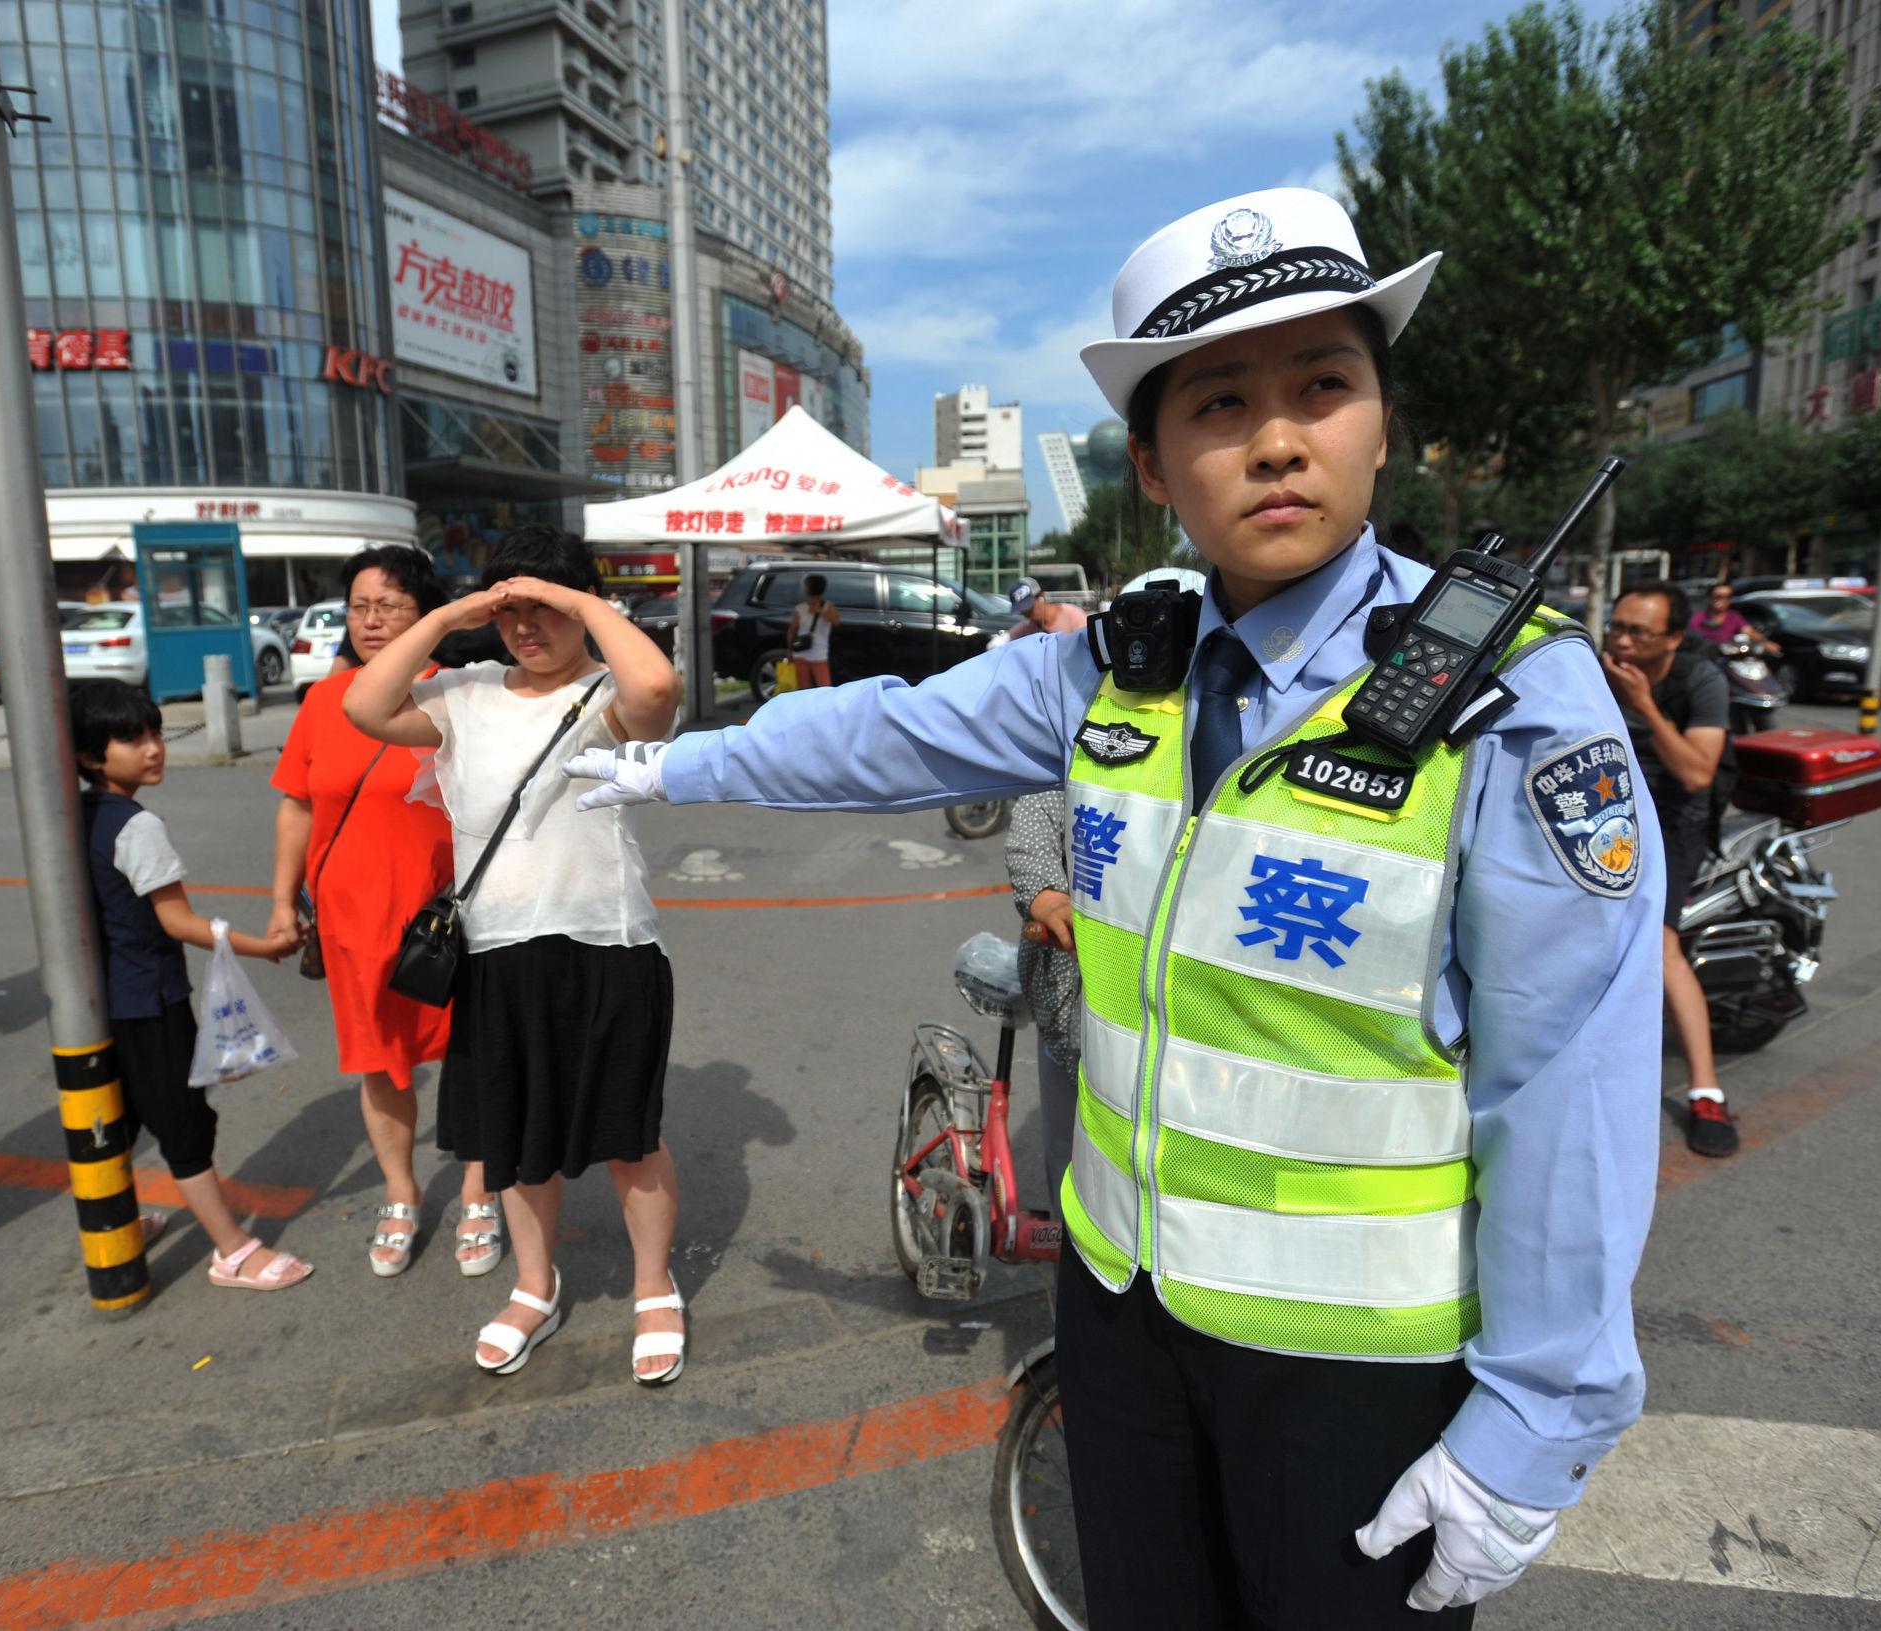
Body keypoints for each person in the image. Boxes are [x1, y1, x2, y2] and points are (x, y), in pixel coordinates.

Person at [570, 187, 1663, 1624]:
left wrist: (1539, 1414)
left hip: (1357, 1361)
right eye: (1219, 404)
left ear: (1384, 422)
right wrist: (669, 763)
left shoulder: (1514, 693)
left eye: (1324, 386)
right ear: (1152, 462)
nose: (1277, 437)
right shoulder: (1119, 661)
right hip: (1123, 1304)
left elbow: (1568, 1072)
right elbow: (891, 732)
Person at [341, 526, 688, 1385]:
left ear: (579, 605)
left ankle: (653, 1284)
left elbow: (658, 684)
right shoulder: (466, 692)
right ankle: (534, 1285)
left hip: (606, 939)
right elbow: (365, 705)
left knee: (630, 1134)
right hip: (497, 951)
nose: (526, 627)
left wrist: (577, 599)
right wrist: (455, 613)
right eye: (512, 611)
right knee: (517, 1138)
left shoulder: (609, 689)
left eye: (546, 609)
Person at [268, 545, 498, 1279]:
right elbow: (297, 807)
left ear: (425, 616)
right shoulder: (319, 701)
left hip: (447, 919)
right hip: (350, 919)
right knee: (379, 1063)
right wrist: (282, 900)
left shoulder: (459, 694)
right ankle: (401, 1194)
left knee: (472, 1055)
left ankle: (477, 1189)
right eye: (360, 606)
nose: (371, 620)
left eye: (389, 606)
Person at [69, 681, 314, 1292]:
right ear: (90, 756)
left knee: (116, 1119)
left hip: (99, 1002)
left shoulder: (75, 816)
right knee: (183, 1127)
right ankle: (232, 1250)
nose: (153, 749)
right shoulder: (136, 825)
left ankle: (115, 1220)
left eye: (155, 733)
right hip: (148, 999)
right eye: (132, 739)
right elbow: (176, 921)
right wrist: (266, 946)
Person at [1603, 582, 1737, 1158]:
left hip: (1673, 815)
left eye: (1640, 633)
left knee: (1659, 945)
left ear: (1674, 639)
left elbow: (1698, 774)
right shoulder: (1591, 665)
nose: (1623, 642)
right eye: (1617, 627)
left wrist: (1645, 707)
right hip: (1607, 804)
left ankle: (1707, 1090)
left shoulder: (1700, 680)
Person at [1004, 788, 1080, 1200]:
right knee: (1068, 1157)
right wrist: (1048, 896)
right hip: (1071, 998)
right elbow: (1036, 816)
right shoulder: (1101, 737)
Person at [788, 572, 838, 690]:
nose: (804, 588)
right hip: (802, 652)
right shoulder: (800, 608)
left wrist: (820, 611)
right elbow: (791, 630)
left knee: (824, 688)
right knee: (805, 688)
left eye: (806, 585)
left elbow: (836, 622)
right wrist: (790, 650)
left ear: (809, 588)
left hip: (818, 653)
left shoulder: (827, 606)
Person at [1006, 578, 1089, 643]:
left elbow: (1088, 644)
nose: (1028, 615)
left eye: (1030, 609)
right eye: (1023, 611)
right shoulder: (1028, 628)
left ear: (1042, 596)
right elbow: (1006, 640)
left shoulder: (1073, 616)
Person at [1687, 582, 1759, 647]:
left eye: (1728, 597)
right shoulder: (1698, 618)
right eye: (1718, 596)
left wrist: (1768, 645)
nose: (1723, 600)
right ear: (1709, 598)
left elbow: (1750, 632)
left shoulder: (1734, 616)